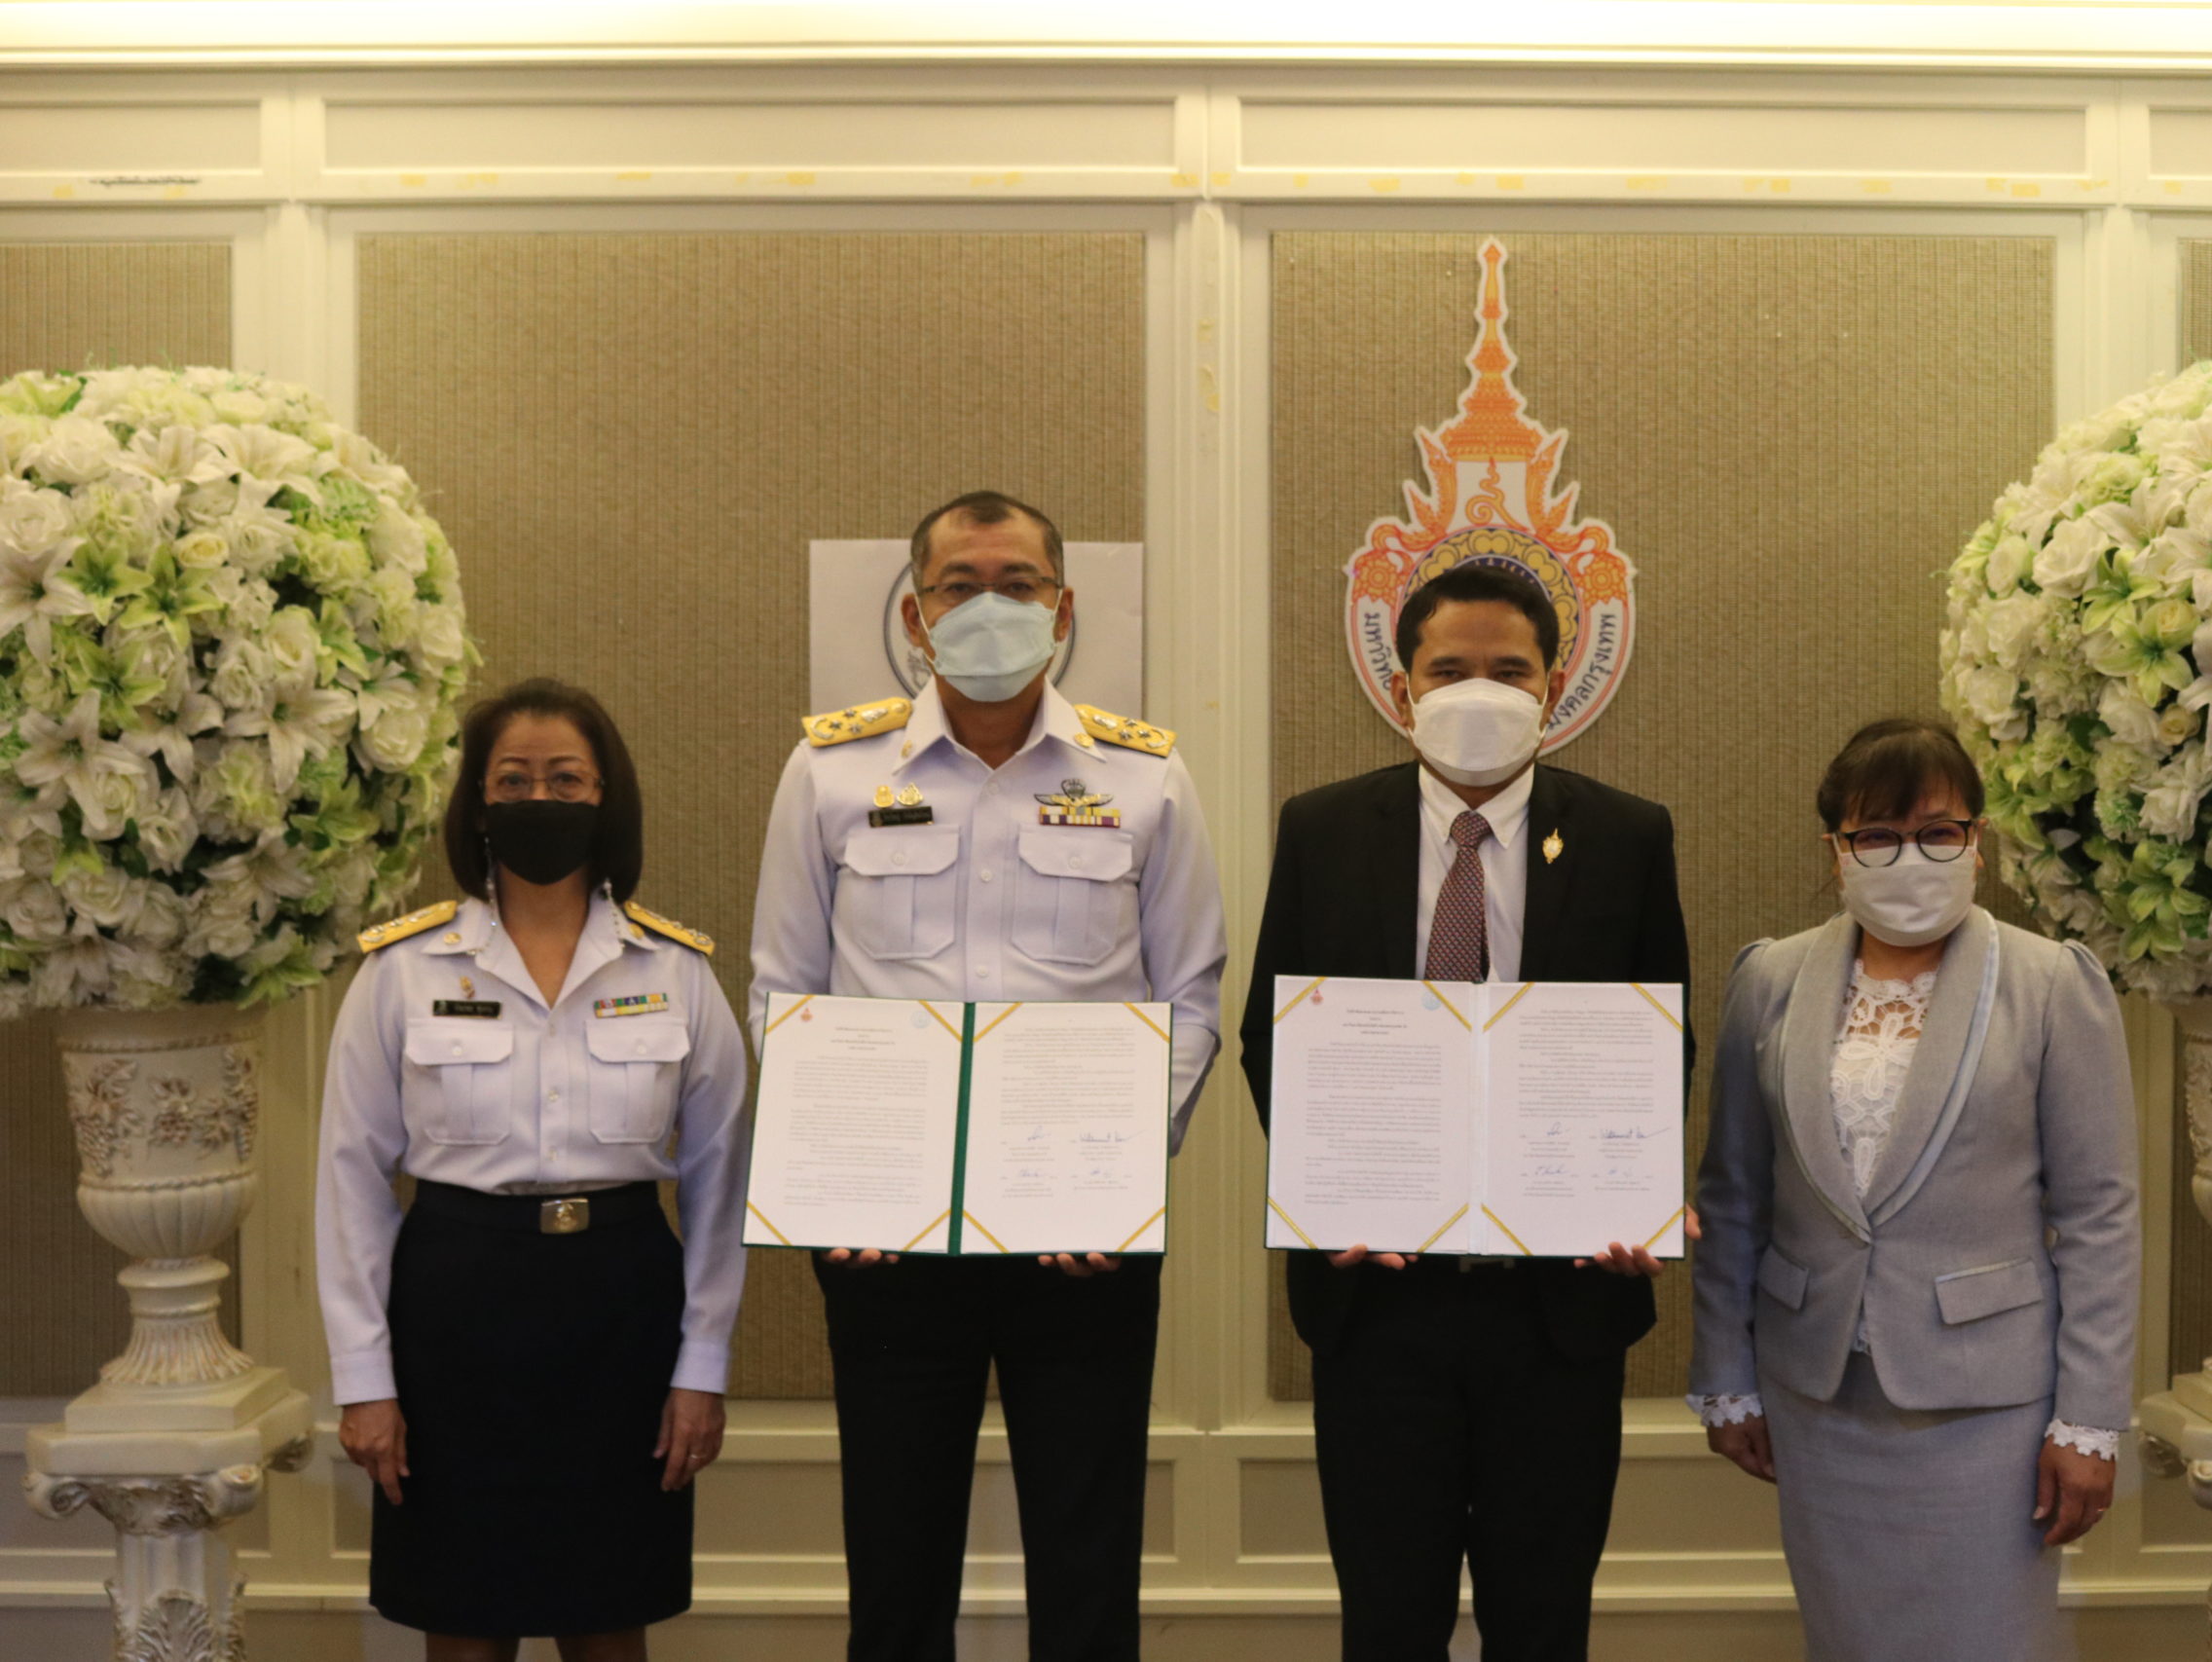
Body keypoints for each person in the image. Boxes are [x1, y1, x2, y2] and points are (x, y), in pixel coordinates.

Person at [748, 489, 1226, 1662]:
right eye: (959, 585)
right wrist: (835, 1189)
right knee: (896, 1560)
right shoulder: (830, 772)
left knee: (1087, 1555)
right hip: (889, 1241)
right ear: (915, 615)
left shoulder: (1146, 777)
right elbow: (781, 993)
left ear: (1062, 609)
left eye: (1018, 584)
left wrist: (1117, 1181)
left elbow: (1191, 998)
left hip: (1085, 1240)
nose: (989, 607)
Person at [1238, 562, 1692, 1662]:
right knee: (1388, 1621)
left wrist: (1629, 1191)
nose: (1478, 691)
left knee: (1543, 1622)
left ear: (1554, 688)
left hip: (1559, 1313)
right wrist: (1327, 1190)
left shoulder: (1628, 835)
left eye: (1508, 670)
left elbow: (1660, 1044)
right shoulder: (1322, 828)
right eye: (1449, 670)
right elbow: (1270, 1038)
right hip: (1376, 1306)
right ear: (1402, 687)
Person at [1687, 718, 2141, 1662]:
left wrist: (2090, 1419)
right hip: (1817, 1397)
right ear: (1835, 849)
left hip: (1989, 1408)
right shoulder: (1769, 980)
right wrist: (1724, 1373)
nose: (1910, 858)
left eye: (1937, 831)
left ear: (1978, 840)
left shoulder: (2052, 984)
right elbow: (1731, 1195)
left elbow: (2099, 1216)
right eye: (1878, 835)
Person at [316, 679, 751, 1662]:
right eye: (513, 780)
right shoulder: (404, 970)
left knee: (609, 1622)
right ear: (478, 803)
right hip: (455, 1312)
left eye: (566, 780)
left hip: (621, 1312)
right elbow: (349, 1181)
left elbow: (723, 1187)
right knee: (465, 1624)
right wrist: (364, 1379)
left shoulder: (673, 970)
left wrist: (702, 1367)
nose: (539, 799)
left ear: (607, 797)